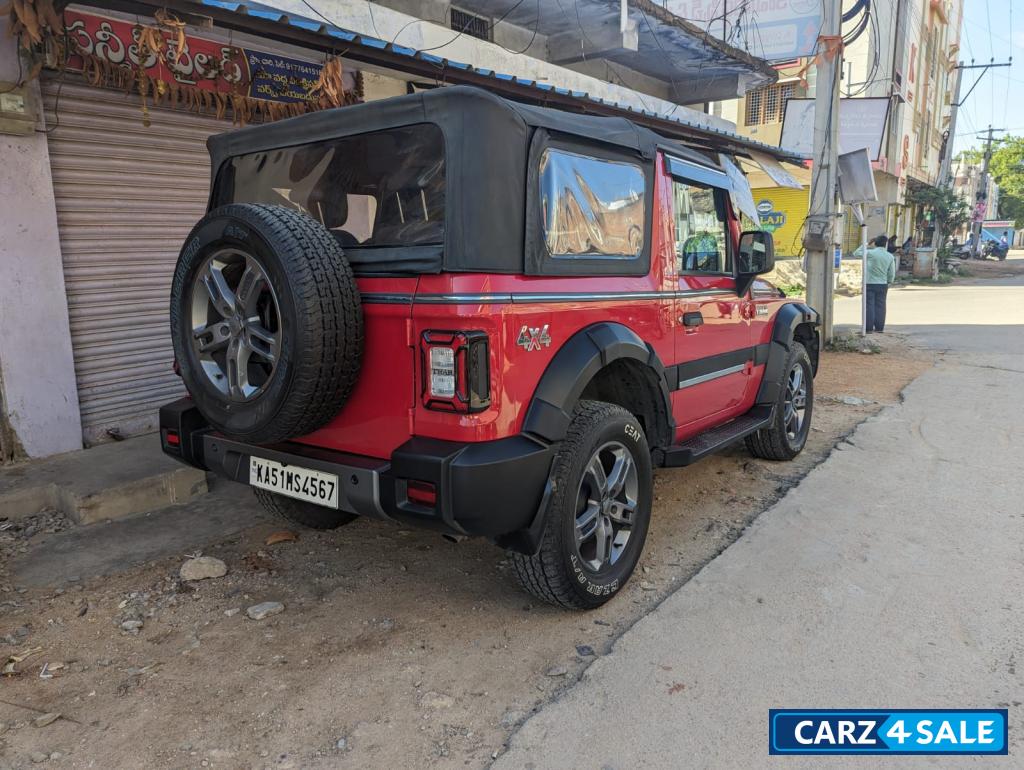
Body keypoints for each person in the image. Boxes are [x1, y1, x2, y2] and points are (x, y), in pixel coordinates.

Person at [853, 234, 897, 333]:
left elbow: (856, 253)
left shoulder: (871, 253)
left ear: (875, 243)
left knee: (869, 305)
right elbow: (891, 273)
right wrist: (889, 281)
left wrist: (866, 244)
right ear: (885, 244)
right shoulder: (890, 256)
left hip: (869, 283)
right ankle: (879, 328)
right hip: (882, 284)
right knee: (881, 306)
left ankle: (868, 328)